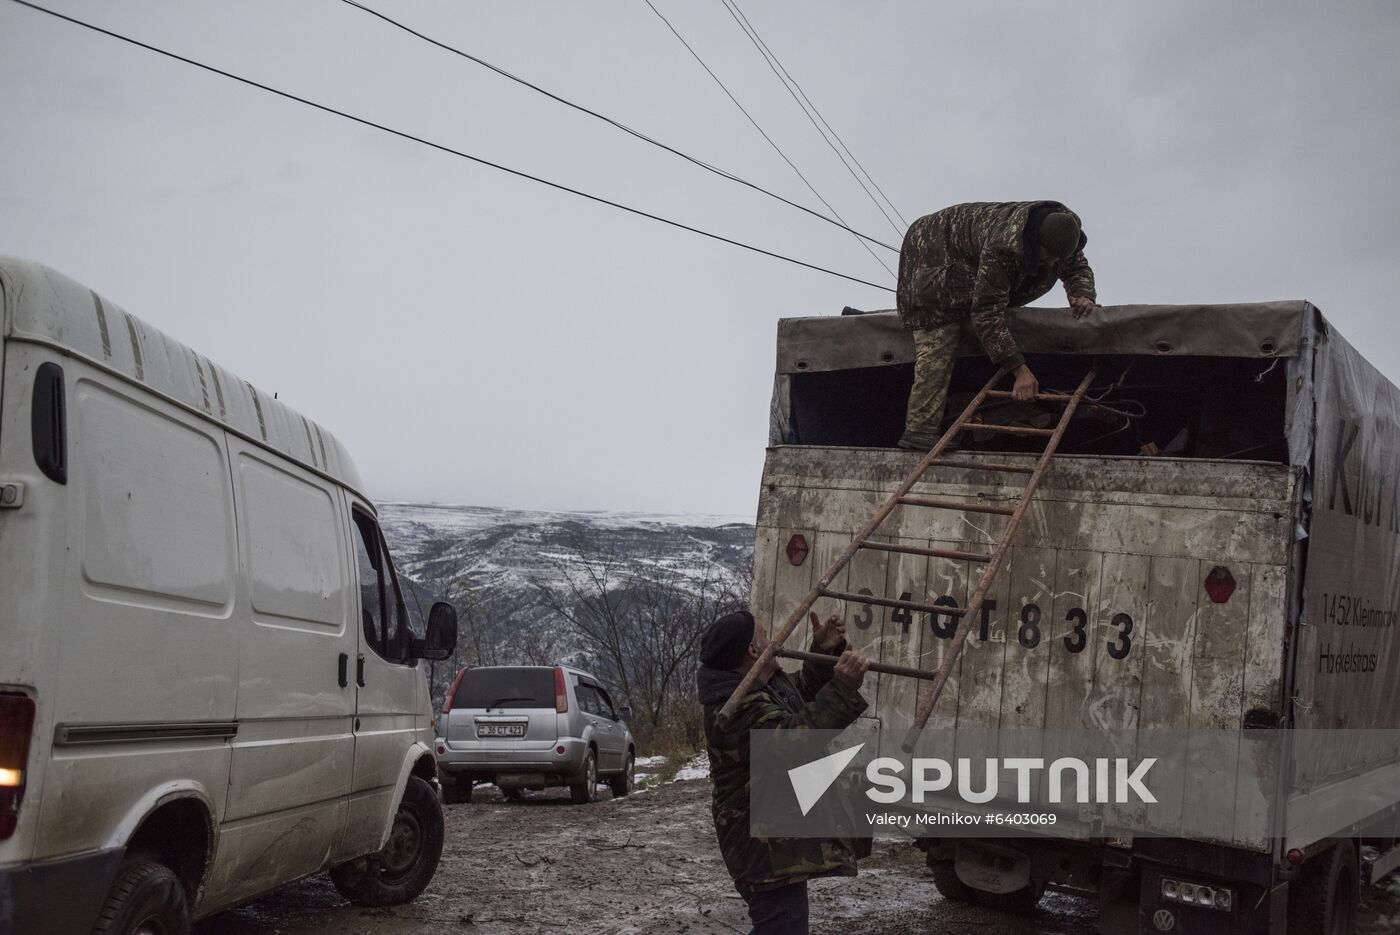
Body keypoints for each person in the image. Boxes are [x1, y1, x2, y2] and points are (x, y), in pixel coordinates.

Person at [696, 609, 871, 935]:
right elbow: (796, 739)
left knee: (783, 926)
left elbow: (799, 695)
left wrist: (822, 654)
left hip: (771, 836)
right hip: (759, 842)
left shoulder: (758, 688)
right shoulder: (734, 709)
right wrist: (843, 686)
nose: (775, 643)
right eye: (767, 638)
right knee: (782, 927)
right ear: (752, 651)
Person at [895, 201, 1100, 450]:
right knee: (939, 338)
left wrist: (1082, 293)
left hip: (967, 250)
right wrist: (1018, 369)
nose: (1052, 263)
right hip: (931, 256)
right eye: (1049, 255)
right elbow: (986, 312)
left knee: (998, 299)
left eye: (1059, 258)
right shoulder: (1003, 248)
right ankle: (919, 432)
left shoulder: (1064, 232)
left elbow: (1076, 265)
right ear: (1035, 241)